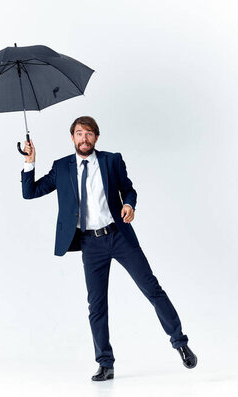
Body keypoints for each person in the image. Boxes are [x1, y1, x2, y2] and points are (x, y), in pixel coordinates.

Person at [21, 116, 197, 381]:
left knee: (152, 289)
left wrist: (129, 205)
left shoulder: (111, 160)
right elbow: (30, 192)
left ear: (96, 138)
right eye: (79, 133)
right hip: (90, 244)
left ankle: (179, 341)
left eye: (89, 133)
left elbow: (129, 190)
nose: (84, 138)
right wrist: (30, 160)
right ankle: (105, 363)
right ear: (72, 138)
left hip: (119, 236)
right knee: (97, 306)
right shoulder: (62, 167)